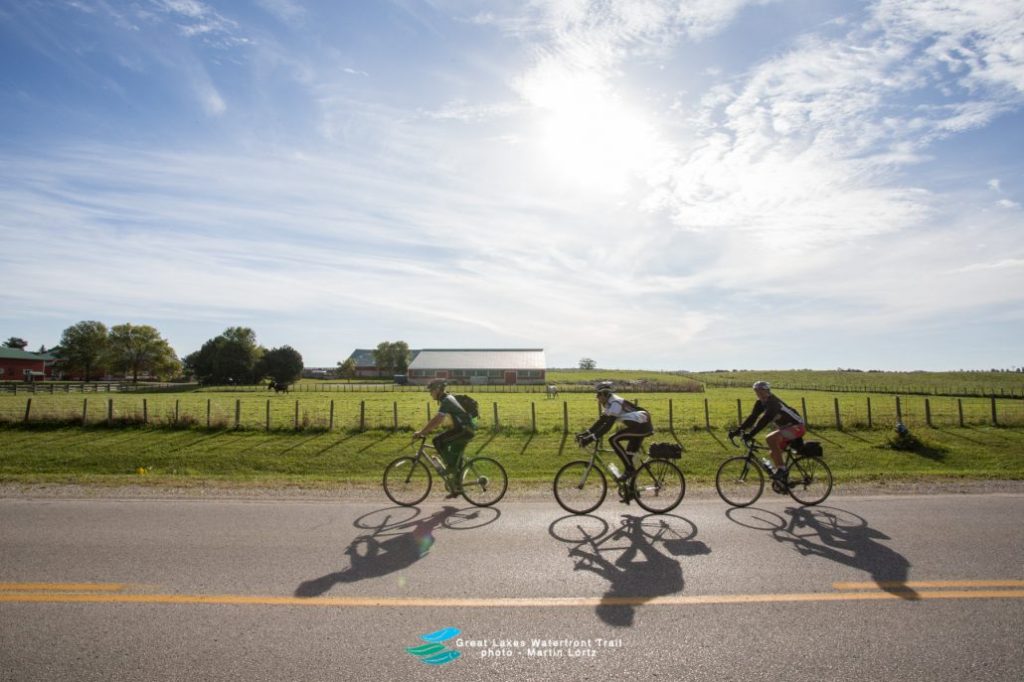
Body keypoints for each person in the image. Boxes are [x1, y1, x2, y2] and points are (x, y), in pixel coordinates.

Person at [575, 382, 653, 485]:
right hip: (637, 426)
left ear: (605, 394)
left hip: (642, 426)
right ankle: (631, 489)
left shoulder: (615, 403)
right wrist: (585, 434)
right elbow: (601, 421)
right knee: (628, 457)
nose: (597, 397)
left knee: (613, 439)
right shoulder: (609, 403)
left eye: (598, 395)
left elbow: (608, 425)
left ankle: (630, 471)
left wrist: (590, 438)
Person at [730, 380, 806, 484]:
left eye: (761, 391)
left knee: (770, 438)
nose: (759, 394)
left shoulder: (773, 403)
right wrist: (737, 431)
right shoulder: (761, 403)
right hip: (786, 428)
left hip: (797, 427)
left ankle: (782, 470)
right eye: (756, 392)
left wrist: (751, 434)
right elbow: (752, 418)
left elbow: (764, 420)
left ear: (767, 391)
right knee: (773, 453)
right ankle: (785, 481)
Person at [413, 379, 476, 497]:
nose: (430, 393)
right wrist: (425, 431)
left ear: (437, 390)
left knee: (437, 441)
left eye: (431, 390)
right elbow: (441, 420)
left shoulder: (446, 400)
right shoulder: (447, 398)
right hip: (464, 429)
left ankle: (451, 469)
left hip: (464, 430)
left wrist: (422, 432)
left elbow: (438, 419)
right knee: (454, 454)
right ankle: (456, 487)